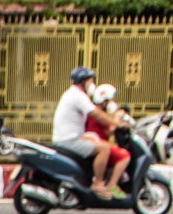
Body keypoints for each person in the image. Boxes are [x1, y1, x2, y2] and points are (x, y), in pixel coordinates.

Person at [51, 65, 124, 196]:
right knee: (104, 148)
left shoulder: (73, 94)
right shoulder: (78, 96)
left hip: (70, 137)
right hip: (69, 140)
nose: (92, 84)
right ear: (83, 81)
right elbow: (96, 114)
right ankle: (98, 184)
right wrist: (116, 123)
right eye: (90, 81)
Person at [89, 83, 133, 188]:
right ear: (104, 101)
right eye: (110, 100)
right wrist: (117, 117)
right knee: (124, 156)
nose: (112, 103)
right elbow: (110, 129)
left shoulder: (98, 112)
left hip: (100, 144)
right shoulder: (98, 113)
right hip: (98, 145)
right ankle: (111, 186)